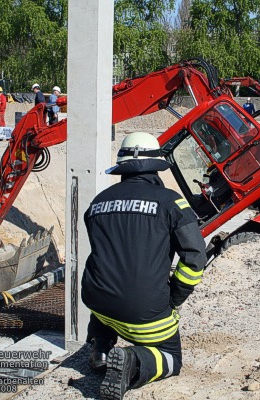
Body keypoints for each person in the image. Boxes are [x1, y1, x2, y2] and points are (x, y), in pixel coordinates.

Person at [81, 131, 207, 400]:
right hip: (145, 311)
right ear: (157, 167)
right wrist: (173, 298)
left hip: (97, 303)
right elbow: (195, 256)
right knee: (171, 358)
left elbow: (106, 257)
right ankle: (133, 361)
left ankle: (100, 350)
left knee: (110, 286)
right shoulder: (171, 202)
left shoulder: (98, 202)